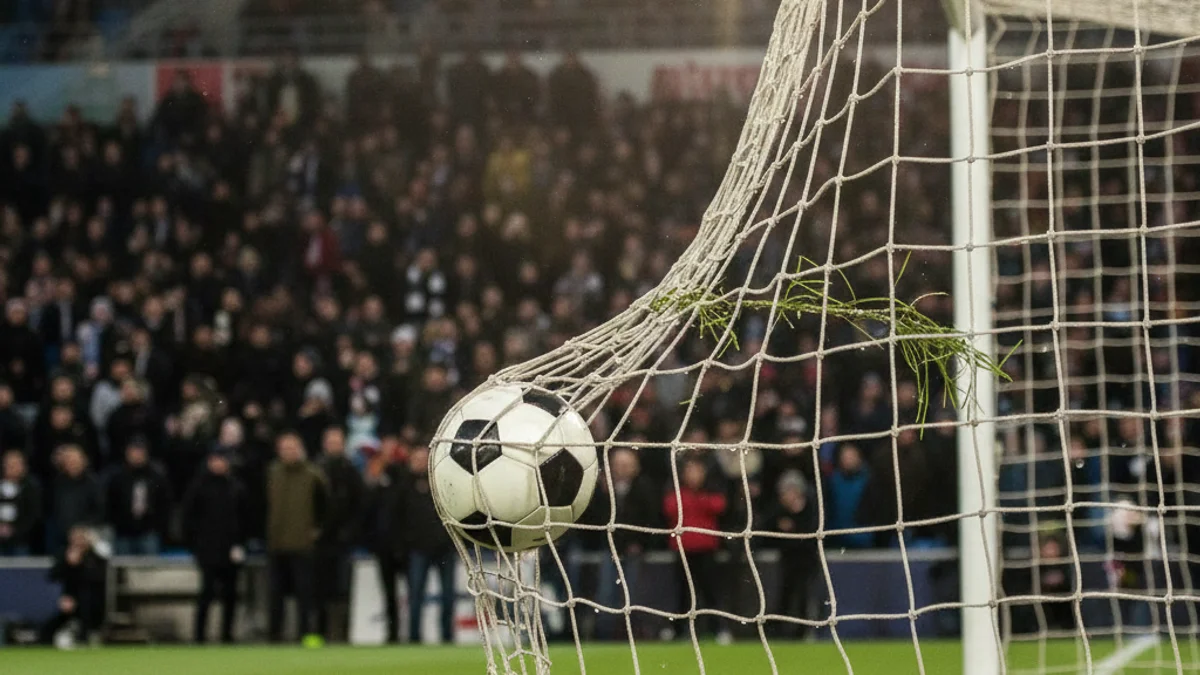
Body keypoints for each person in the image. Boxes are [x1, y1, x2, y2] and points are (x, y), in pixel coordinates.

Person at [588, 447, 658, 640]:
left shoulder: (644, 487)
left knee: (633, 593)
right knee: (605, 593)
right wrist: (602, 494)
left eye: (627, 465)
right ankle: (604, 634)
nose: (622, 469)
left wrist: (640, 543)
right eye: (618, 465)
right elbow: (593, 519)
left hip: (634, 550)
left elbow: (650, 518)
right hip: (609, 549)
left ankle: (632, 633)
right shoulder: (602, 489)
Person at [266, 431, 328, 643]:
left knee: (305, 594)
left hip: (302, 544)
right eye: (284, 448)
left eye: (292, 448)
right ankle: (274, 636)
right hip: (276, 543)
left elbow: (325, 505)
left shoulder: (313, 475)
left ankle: (305, 634)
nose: (288, 452)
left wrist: (316, 529)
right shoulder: (272, 473)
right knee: (275, 595)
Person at [181, 448, 247, 644]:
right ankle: (199, 635)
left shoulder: (236, 487)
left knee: (230, 594)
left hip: (231, 550)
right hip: (207, 549)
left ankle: (227, 635)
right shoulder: (198, 487)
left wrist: (240, 544)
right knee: (206, 593)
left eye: (222, 460)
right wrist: (194, 546)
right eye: (215, 460)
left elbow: (245, 519)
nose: (219, 464)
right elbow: (188, 518)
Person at [663, 456, 729, 643]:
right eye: (690, 471)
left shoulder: (711, 490)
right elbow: (670, 508)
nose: (694, 475)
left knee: (710, 592)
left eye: (698, 471)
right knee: (682, 594)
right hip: (683, 550)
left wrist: (697, 502)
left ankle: (718, 629)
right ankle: (677, 630)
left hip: (706, 550)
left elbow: (719, 506)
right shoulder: (676, 491)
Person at [314, 426, 364, 642]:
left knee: (342, 590)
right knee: (319, 589)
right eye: (330, 442)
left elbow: (360, 506)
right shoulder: (316, 470)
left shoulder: (351, 471)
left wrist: (349, 531)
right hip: (319, 541)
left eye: (337, 442)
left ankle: (341, 635)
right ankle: (318, 634)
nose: (333, 446)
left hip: (343, 542)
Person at [403, 446, 456, 644]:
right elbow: (399, 517)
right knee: (415, 596)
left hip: (444, 549)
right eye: (416, 459)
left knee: (448, 596)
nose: (420, 463)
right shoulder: (404, 485)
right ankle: (414, 637)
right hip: (418, 549)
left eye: (423, 459)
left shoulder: (442, 482)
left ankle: (447, 637)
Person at [759, 470, 819, 638]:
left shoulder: (810, 508)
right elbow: (766, 527)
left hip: (807, 561)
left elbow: (810, 536)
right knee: (785, 596)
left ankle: (804, 632)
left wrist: (792, 528)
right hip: (788, 561)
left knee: (805, 597)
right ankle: (779, 632)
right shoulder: (778, 510)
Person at [365, 447, 408, 644]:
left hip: (401, 547)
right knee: (391, 593)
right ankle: (396, 633)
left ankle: (403, 632)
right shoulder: (378, 489)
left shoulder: (398, 485)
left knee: (399, 593)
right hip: (386, 548)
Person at [105, 439, 173, 555]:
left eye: (140, 452)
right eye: (134, 451)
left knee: (150, 565)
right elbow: (110, 503)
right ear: (127, 453)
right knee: (123, 565)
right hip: (123, 533)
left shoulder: (157, 478)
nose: (137, 455)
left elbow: (165, 505)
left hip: (149, 532)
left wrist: (158, 527)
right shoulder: (117, 478)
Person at [42, 525, 108, 645]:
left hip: (91, 600)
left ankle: (85, 638)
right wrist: (68, 563)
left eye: (81, 539)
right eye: (75, 539)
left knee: (86, 610)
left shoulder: (94, 557)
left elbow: (98, 578)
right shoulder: (64, 555)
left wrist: (80, 564)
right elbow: (52, 576)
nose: (78, 543)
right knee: (52, 623)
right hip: (68, 598)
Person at [48, 445, 103, 554]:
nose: (72, 464)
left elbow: (99, 510)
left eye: (75, 460)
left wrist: (81, 529)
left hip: (86, 536)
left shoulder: (93, 483)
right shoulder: (57, 483)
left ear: (84, 461)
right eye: (69, 460)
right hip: (60, 536)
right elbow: (54, 509)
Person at [0, 450, 42, 555]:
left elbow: (34, 515)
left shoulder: (31, 487)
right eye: (9, 464)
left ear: (23, 467)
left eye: (16, 464)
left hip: (21, 541)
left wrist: (14, 530)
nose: (12, 468)